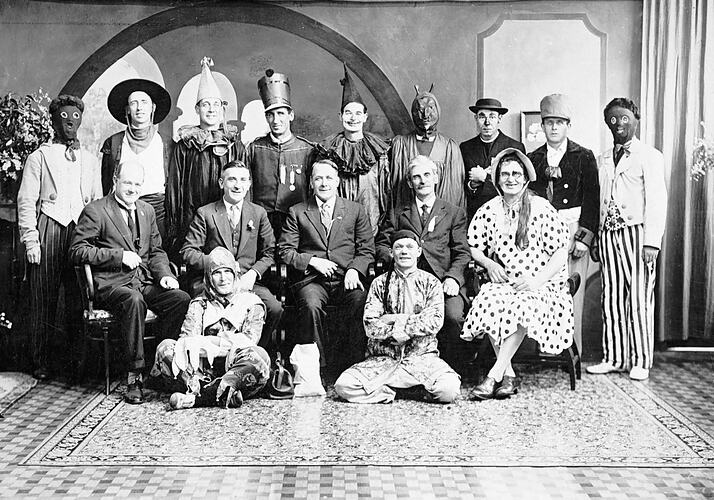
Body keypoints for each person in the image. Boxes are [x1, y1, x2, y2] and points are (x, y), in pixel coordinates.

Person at [69, 160, 190, 404]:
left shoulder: (146, 210)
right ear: (115, 181)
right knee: (134, 301)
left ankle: (161, 365)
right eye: (127, 183)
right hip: (112, 285)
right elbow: (77, 251)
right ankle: (134, 376)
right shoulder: (96, 210)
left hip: (143, 281)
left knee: (180, 299)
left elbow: (156, 251)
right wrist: (119, 257)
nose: (133, 189)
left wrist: (165, 275)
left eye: (137, 183)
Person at [461, 148, 573, 400]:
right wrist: (489, 264)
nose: (511, 178)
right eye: (505, 174)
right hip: (508, 280)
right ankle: (508, 374)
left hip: (542, 284)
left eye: (516, 174)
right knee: (488, 298)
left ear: (525, 178)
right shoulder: (490, 210)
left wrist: (536, 280)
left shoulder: (541, 207)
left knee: (522, 303)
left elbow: (559, 252)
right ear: (498, 179)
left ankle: (493, 375)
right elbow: (474, 247)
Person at [17, 94, 103, 380]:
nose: (70, 123)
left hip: (80, 231)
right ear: (54, 121)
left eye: (75, 117)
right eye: (64, 118)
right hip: (49, 228)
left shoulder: (89, 159)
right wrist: (31, 241)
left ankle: (75, 364)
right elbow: (26, 201)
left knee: (79, 299)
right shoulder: (39, 157)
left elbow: (96, 200)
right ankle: (41, 361)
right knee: (43, 297)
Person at [586, 98, 668, 381]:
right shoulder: (604, 158)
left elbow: (657, 201)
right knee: (611, 297)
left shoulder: (649, 155)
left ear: (635, 120)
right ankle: (615, 357)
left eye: (624, 119)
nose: (619, 125)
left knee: (639, 298)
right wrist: (597, 236)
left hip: (637, 234)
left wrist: (651, 242)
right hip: (609, 233)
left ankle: (641, 360)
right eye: (613, 120)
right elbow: (599, 201)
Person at [278, 159, 375, 396]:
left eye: (329, 178)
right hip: (312, 279)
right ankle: (316, 370)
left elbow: (366, 249)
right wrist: (312, 261)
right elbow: (285, 251)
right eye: (318, 178)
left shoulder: (355, 210)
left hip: (346, 277)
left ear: (338, 182)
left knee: (359, 300)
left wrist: (354, 270)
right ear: (311, 182)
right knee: (310, 305)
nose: (324, 183)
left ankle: (350, 366)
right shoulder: (298, 212)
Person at [335, 229, 461, 404]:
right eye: (399, 247)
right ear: (391, 252)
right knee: (344, 386)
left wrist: (394, 320)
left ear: (418, 252)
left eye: (410, 247)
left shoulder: (431, 283)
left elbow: (434, 321)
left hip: (421, 358)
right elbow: (370, 325)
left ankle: (408, 388)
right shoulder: (378, 284)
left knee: (449, 390)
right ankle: (397, 392)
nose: (404, 251)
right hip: (383, 360)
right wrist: (405, 325)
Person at [376, 156, 471, 374]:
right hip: (405, 282)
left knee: (453, 316)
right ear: (409, 183)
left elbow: (462, 252)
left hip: (442, 280)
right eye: (416, 177)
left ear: (436, 178)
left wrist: (453, 278)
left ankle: (453, 371)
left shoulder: (454, 212)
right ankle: (401, 369)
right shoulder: (398, 212)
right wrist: (398, 259)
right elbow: (381, 243)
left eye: (427, 175)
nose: (422, 181)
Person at [150, 247, 271, 410]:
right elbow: (186, 341)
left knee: (259, 356)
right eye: (217, 273)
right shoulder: (199, 303)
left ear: (235, 275)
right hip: (200, 372)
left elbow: (247, 342)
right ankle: (216, 393)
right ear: (208, 277)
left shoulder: (252, 303)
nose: (223, 279)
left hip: (235, 370)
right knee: (165, 348)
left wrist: (206, 343)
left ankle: (198, 398)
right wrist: (220, 344)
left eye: (228, 272)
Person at [180, 161, 283, 349]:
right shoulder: (206, 213)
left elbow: (269, 252)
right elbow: (188, 251)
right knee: (204, 311)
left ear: (249, 184)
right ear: (221, 183)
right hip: (212, 284)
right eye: (232, 179)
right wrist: (217, 265)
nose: (237, 185)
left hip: (246, 282)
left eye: (243, 180)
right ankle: (210, 360)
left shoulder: (258, 213)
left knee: (274, 308)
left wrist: (252, 274)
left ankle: (256, 354)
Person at [528, 94, 599, 352]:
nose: (554, 127)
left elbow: (593, 200)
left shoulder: (583, 156)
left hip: (573, 231)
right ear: (542, 126)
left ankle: (572, 351)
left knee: (572, 292)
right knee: (544, 287)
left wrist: (584, 238)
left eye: (559, 122)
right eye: (549, 122)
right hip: (542, 233)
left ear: (568, 125)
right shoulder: (533, 158)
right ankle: (545, 349)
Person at [166, 57, 244, 259]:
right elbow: (175, 187)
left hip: (226, 218)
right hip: (193, 218)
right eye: (205, 104)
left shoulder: (234, 144)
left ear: (222, 109)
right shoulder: (185, 145)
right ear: (197, 109)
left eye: (216, 105)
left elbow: (244, 184)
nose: (211, 109)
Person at [244, 69, 315, 241]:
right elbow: (246, 188)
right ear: (266, 118)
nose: (276, 120)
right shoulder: (254, 148)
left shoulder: (307, 150)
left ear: (291, 115)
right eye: (271, 115)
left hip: (297, 221)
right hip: (261, 220)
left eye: (281, 113)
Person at [321, 64, 390, 235]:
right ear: (340, 116)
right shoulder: (329, 150)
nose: (353, 118)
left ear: (365, 117)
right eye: (348, 113)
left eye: (358, 113)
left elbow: (384, 192)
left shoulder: (378, 152)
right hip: (337, 228)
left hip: (371, 223)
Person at [101, 79, 172, 239]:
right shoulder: (114, 143)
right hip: (120, 212)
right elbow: (106, 183)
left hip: (157, 214)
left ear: (153, 107)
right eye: (134, 103)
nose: (139, 108)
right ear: (127, 109)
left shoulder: (166, 144)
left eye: (144, 102)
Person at [389, 86, 465, 219]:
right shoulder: (400, 145)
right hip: (407, 220)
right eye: (420, 110)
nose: (425, 115)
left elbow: (455, 192)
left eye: (430, 108)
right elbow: (393, 190)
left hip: (442, 221)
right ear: (413, 112)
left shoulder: (450, 147)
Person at [460, 98, 525, 221]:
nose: (487, 122)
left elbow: (518, 188)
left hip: (505, 214)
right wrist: (472, 185)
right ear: (476, 119)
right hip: (476, 215)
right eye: (482, 117)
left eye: (492, 117)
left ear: (499, 119)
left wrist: (485, 177)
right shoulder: (466, 148)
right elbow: (461, 185)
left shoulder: (514, 147)